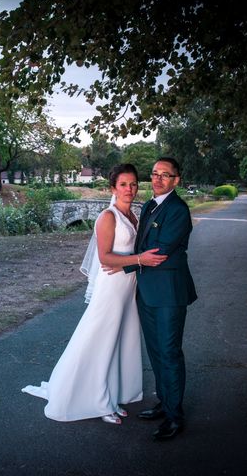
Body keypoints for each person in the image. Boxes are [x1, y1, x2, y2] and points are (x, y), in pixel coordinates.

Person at [22, 164, 167, 424]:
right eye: (123, 184)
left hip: (128, 289)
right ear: (113, 188)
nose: (129, 189)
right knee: (100, 341)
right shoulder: (107, 217)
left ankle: (112, 393)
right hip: (111, 290)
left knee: (121, 341)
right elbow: (105, 258)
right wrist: (141, 259)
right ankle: (98, 403)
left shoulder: (135, 216)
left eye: (133, 184)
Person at [119, 157, 198, 441]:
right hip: (147, 292)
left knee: (169, 353)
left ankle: (175, 417)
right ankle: (164, 404)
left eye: (165, 175)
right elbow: (143, 247)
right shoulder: (150, 205)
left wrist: (121, 264)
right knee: (155, 352)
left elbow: (160, 252)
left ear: (176, 180)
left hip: (168, 294)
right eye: (154, 174)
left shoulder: (178, 210)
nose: (158, 179)